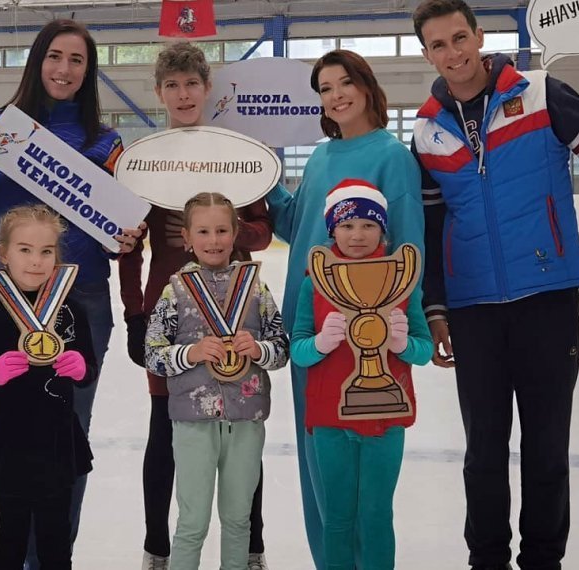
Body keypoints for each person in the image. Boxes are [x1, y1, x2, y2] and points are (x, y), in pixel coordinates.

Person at [408, 1, 579, 568]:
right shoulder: (426, 131)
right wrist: (436, 309)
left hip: (547, 298)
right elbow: (431, 226)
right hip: (473, 311)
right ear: (427, 54)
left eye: (459, 37)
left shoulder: (541, 93)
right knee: (483, 452)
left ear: (479, 36)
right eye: (439, 44)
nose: (453, 52)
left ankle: (544, 560)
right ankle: (487, 559)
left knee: (546, 448)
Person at [0, 21, 142, 564]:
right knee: (16, 426)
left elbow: (115, 235)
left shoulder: (106, 143)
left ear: (89, 70)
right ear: (37, 61)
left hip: (81, 302)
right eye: (54, 56)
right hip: (7, 304)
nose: (64, 69)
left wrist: (127, 237)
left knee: (67, 436)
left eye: (77, 60)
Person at [264, 49, 427, 569]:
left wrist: (403, 324)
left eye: (344, 83)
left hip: (368, 326)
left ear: (366, 85)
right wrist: (263, 179)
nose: (335, 96)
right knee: (319, 458)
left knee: (368, 477)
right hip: (312, 322)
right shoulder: (319, 157)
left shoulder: (393, 157)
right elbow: (296, 226)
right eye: (325, 88)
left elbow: (407, 248)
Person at [118, 41, 274, 570]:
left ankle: (250, 547)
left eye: (191, 84)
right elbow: (126, 245)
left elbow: (262, 229)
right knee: (164, 431)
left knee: (242, 432)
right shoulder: (145, 162)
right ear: (159, 92)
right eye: (172, 86)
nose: (183, 95)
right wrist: (134, 312)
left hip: (235, 311)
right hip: (170, 316)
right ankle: (157, 547)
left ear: (207, 89)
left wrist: (220, 232)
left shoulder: (234, 154)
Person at [290, 180, 433, 569]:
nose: (357, 235)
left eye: (368, 225)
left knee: (376, 515)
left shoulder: (402, 283)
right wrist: (321, 343)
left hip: (386, 421)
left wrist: (402, 343)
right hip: (329, 420)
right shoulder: (314, 284)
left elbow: (423, 351)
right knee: (337, 517)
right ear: (332, 229)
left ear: (382, 229)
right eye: (347, 225)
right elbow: (298, 351)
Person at [144, 192, 288, 570]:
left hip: (246, 419)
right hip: (192, 421)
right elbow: (153, 355)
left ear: (236, 233)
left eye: (222, 230)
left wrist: (258, 349)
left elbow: (281, 349)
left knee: (238, 520)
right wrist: (190, 353)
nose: (214, 240)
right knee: (192, 522)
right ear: (187, 238)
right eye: (204, 231)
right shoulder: (175, 290)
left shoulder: (255, 288)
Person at [0, 204, 98, 570]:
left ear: (57, 257)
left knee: (56, 537)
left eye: (46, 251)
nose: (36, 261)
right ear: (3, 253)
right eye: (25, 249)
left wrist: (80, 368)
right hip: (11, 443)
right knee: (9, 534)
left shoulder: (72, 311)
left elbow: (89, 371)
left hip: (58, 442)